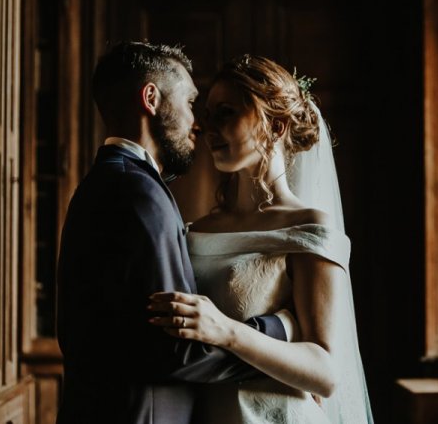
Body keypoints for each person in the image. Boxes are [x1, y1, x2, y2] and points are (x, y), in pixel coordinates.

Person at [55, 43, 294, 424]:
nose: (196, 122)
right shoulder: (139, 192)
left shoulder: (103, 183)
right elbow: (177, 351)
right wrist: (280, 332)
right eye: (189, 102)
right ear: (151, 98)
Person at [148, 55, 374, 423]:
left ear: (277, 125)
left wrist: (225, 330)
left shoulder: (308, 227)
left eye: (226, 112)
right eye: (206, 115)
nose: (208, 128)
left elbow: (326, 373)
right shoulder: (194, 230)